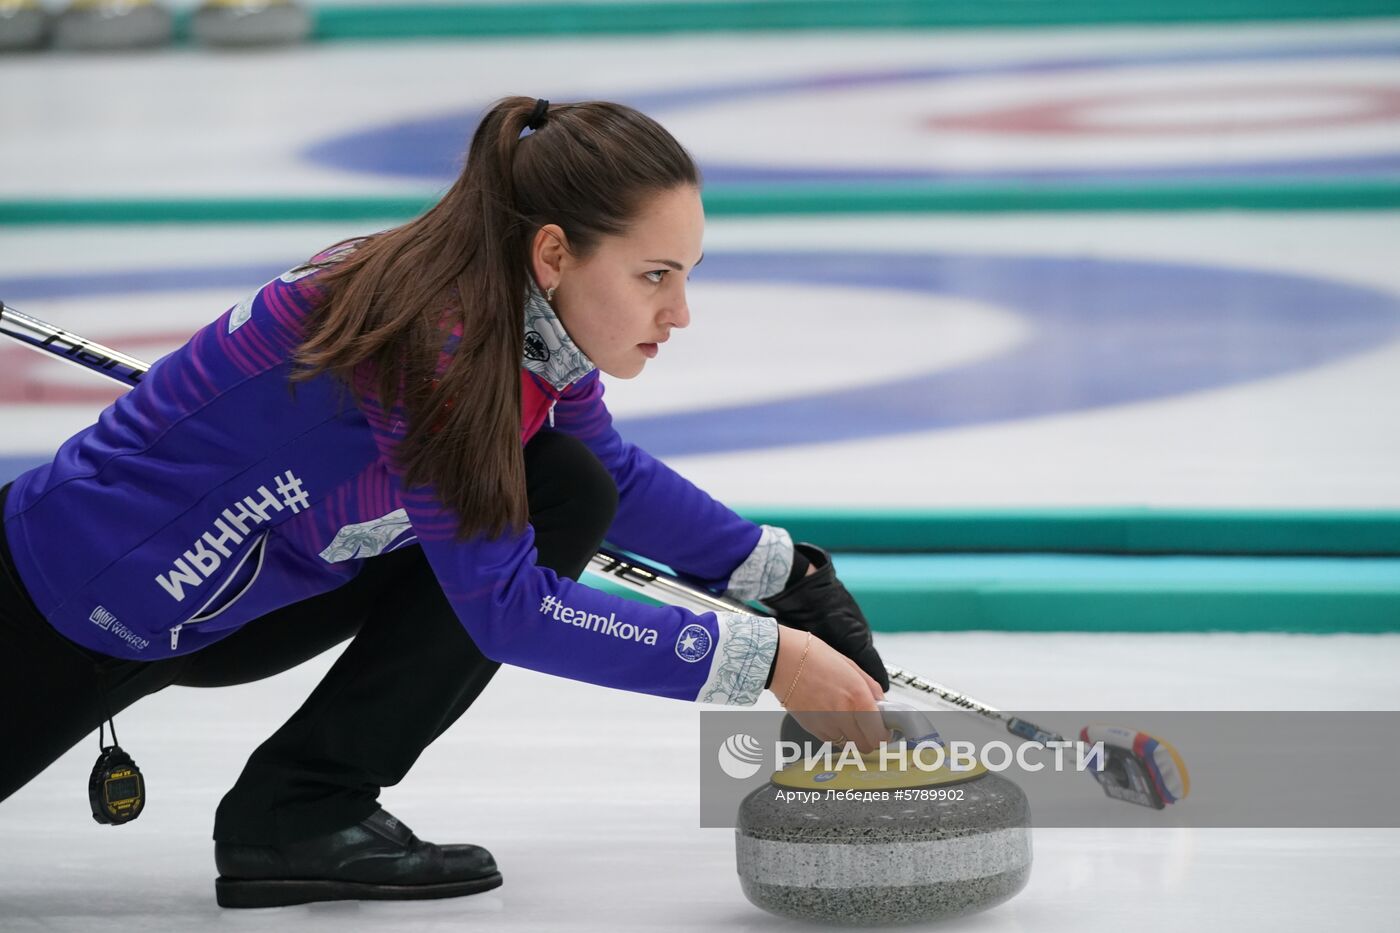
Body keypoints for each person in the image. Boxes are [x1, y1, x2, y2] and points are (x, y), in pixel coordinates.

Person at [0, 97, 890, 909]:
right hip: (62, 609)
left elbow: (606, 467)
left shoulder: (512, 315)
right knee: (550, 497)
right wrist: (767, 659)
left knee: (568, 479)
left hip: (227, 602)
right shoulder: (444, 348)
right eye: (655, 275)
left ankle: (302, 811)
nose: (681, 312)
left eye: (686, 274)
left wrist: (781, 572)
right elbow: (508, 611)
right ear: (553, 253)